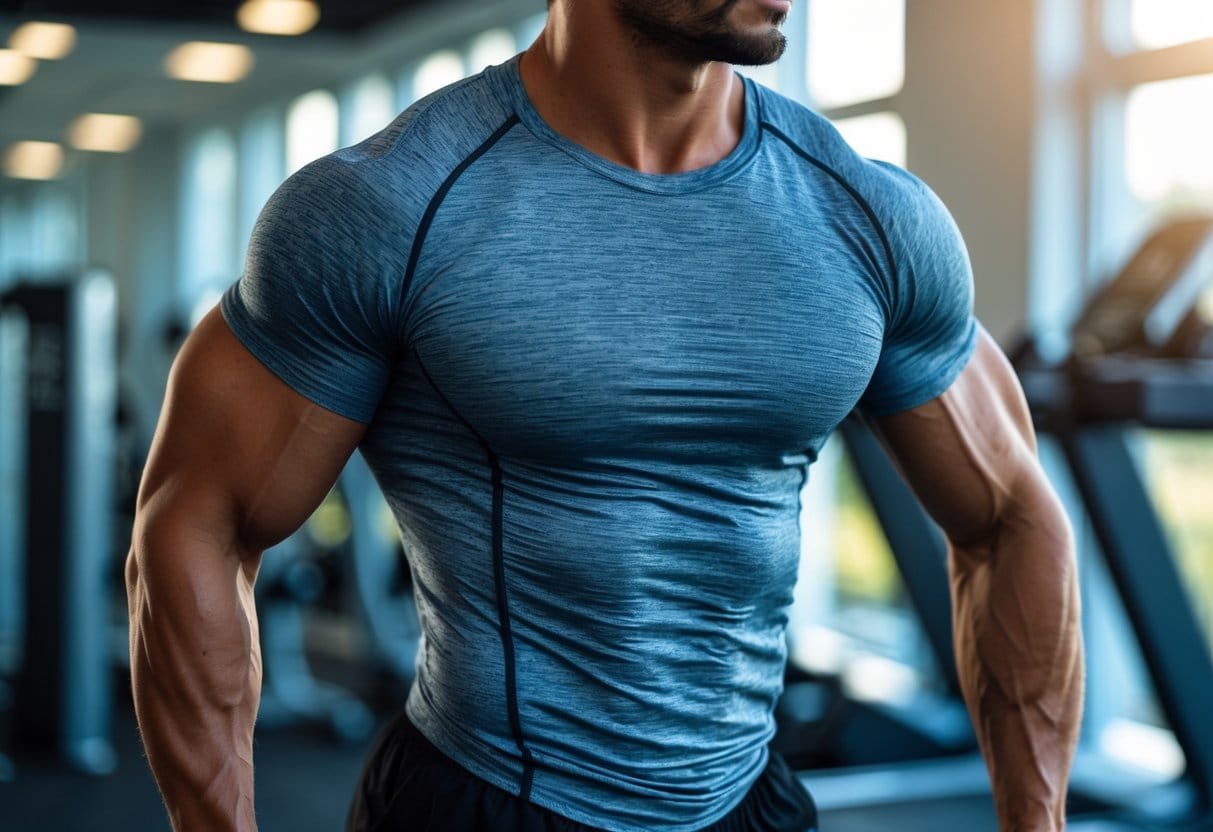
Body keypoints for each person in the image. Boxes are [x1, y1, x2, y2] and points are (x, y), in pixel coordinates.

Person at [125, 0, 1085, 830]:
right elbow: (197, 524)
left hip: (750, 798)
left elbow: (1010, 518)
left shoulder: (870, 216)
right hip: (483, 798)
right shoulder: (387, 208)